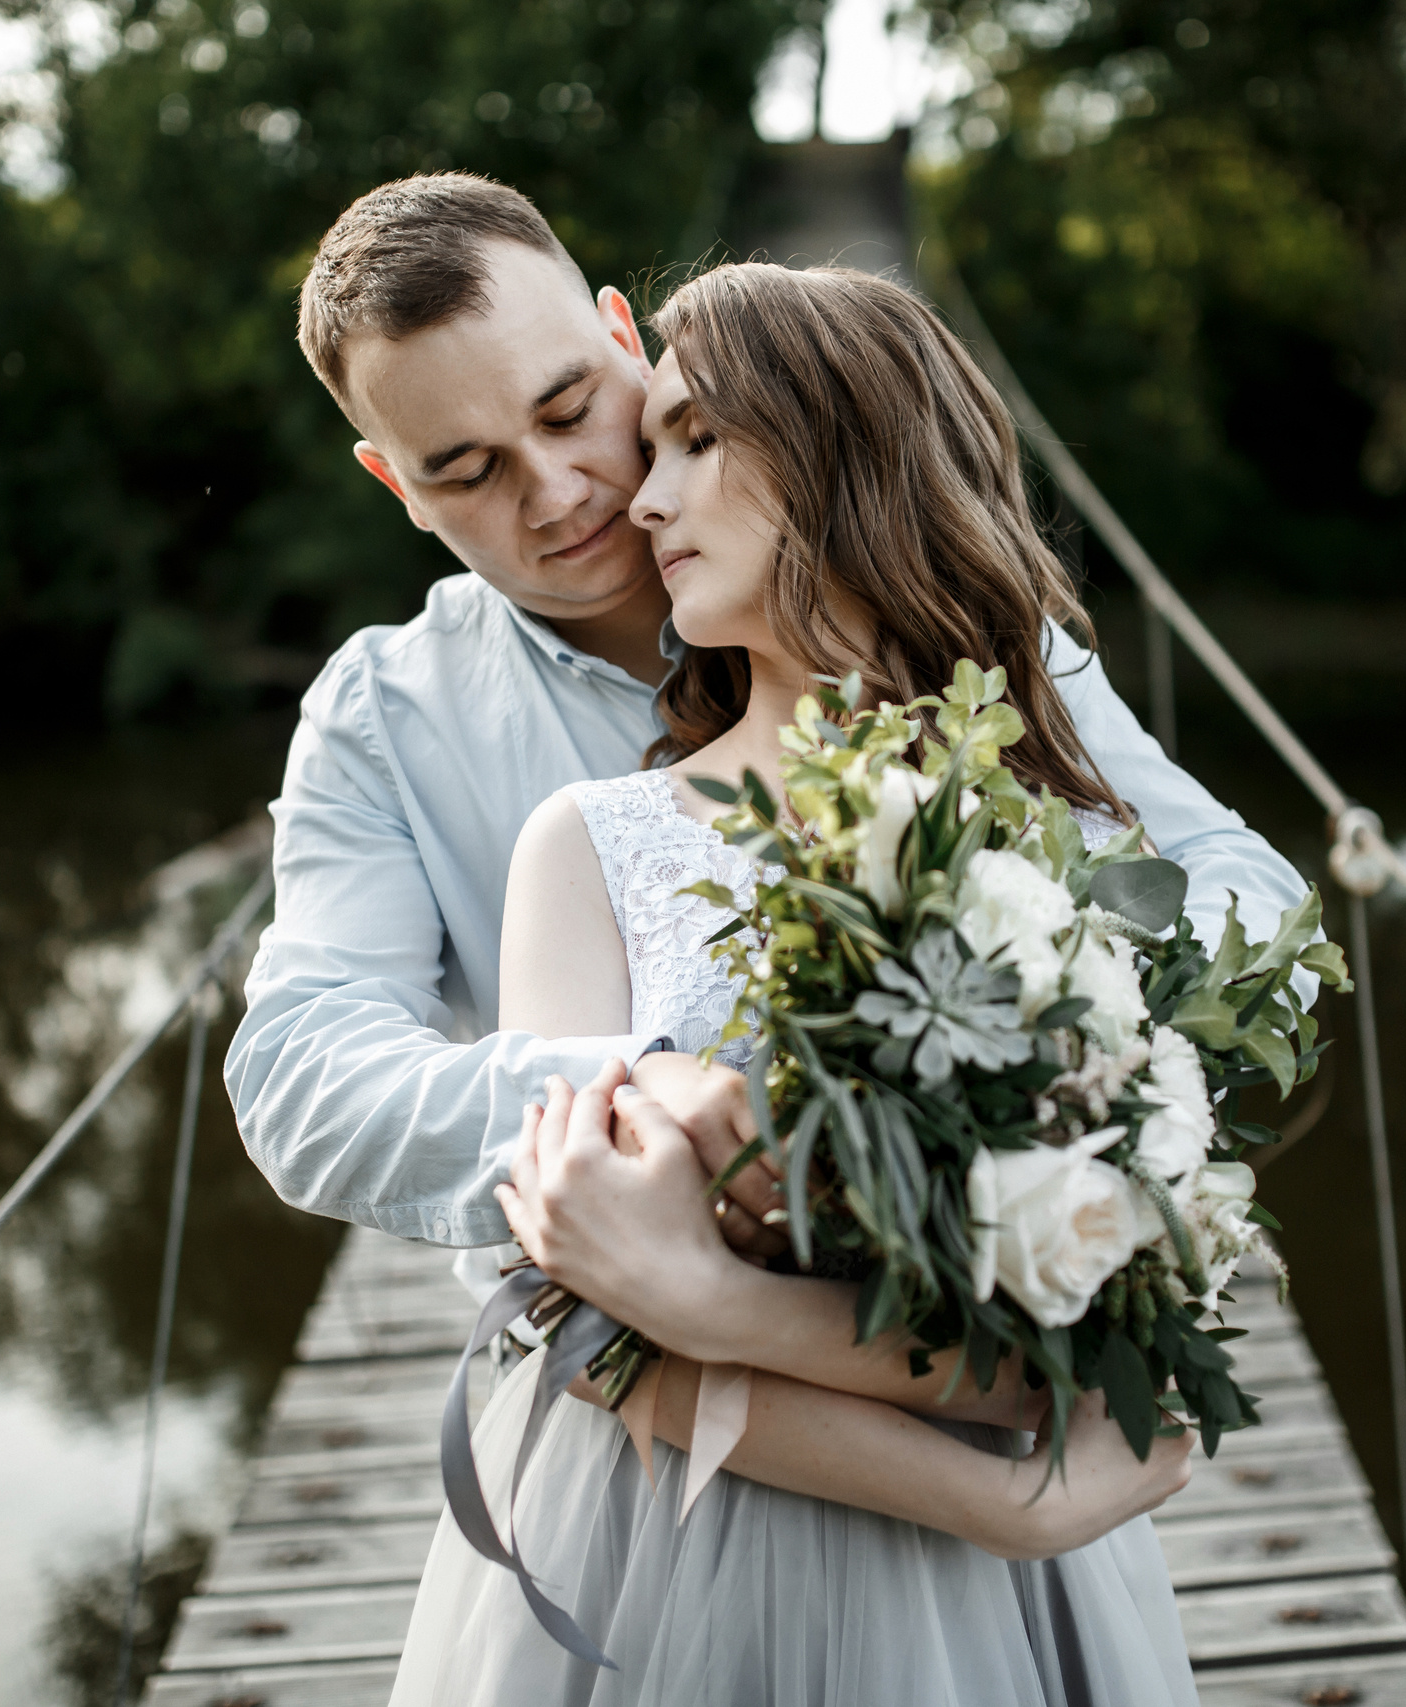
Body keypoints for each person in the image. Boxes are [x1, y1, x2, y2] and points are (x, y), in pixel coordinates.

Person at [390, 261, 1222, 1706]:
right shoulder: (591, 846)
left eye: (695, 441)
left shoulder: (1071, 843)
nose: (642, 501)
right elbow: (582, 1325)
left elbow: (1117, 1335)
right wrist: (1006, 1498)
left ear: (847, 451)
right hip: (666, 1547)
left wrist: (710, 1303)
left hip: (999, 1604)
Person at [225, 171, 1308, 1260]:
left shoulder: (942, 614)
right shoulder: (382, 716)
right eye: (467, 473)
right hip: (625, 1313)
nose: (557, 494)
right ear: (398, 489)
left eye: (569, 412)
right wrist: (629, 1092)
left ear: (624, 341)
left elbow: (1234, 883)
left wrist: (1041, 1057)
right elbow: (300, 1081)